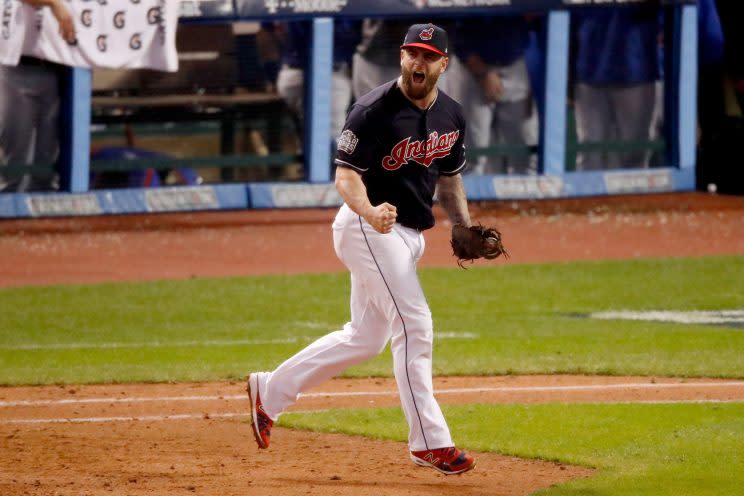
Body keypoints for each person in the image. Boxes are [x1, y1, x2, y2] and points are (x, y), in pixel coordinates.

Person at [247, 23, 477, 476]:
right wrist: (371, 212)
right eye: (412, 54)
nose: (418, 62)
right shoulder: (372, 110)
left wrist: (464, 226)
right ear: (401, 57)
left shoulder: (452, 114)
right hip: (365, 228)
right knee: (415, 324)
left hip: (408, 236)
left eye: (429, 57)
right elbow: (346, 176)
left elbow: (450, 178)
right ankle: (430, 442)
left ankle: (269, 391)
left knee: (364, 337)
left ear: (443, 64)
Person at [571, 5, 661, 170]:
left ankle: (633, 197)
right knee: (589, 154)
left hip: (636, 69)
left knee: (634, 155)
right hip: (589, 67)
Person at [0, 0, 76, 192]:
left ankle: (45, 216)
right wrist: (54, 4)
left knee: (47, 154)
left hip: (54, 67)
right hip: (15, 66)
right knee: (16, 155)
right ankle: (9, 212)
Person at [450, 16, 539, 175]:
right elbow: (458, 33)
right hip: (471, 68)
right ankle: (470, 199)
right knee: (471, 155)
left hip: (515, 64)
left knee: (526, 150)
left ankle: (525, 199)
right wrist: (483, 73)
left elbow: (535, 18)